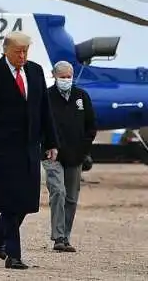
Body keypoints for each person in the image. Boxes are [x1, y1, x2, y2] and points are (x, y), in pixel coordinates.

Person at [0, 31, 59, 270]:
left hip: (29, 148)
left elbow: (44, 110)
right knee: (10, 202)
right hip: (0, 150)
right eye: (18, 52)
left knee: (26, 202)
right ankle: (14, 255)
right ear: (6, 50)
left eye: (25, 52)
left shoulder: (36, 71)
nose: (22, 56)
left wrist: (52, 142)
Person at [43, 60, 97, 252]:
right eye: (62, 77)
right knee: (58, 191)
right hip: (52, 155)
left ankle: (65, 236)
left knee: (71, 198)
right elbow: (39, 125)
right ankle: (58, 237)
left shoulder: (81, 96)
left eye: (69, 77)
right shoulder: (46, 97)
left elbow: (91, 127)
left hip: (76, 156)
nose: (66, 80)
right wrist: (46, 147)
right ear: (54, 76)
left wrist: (82, 150)